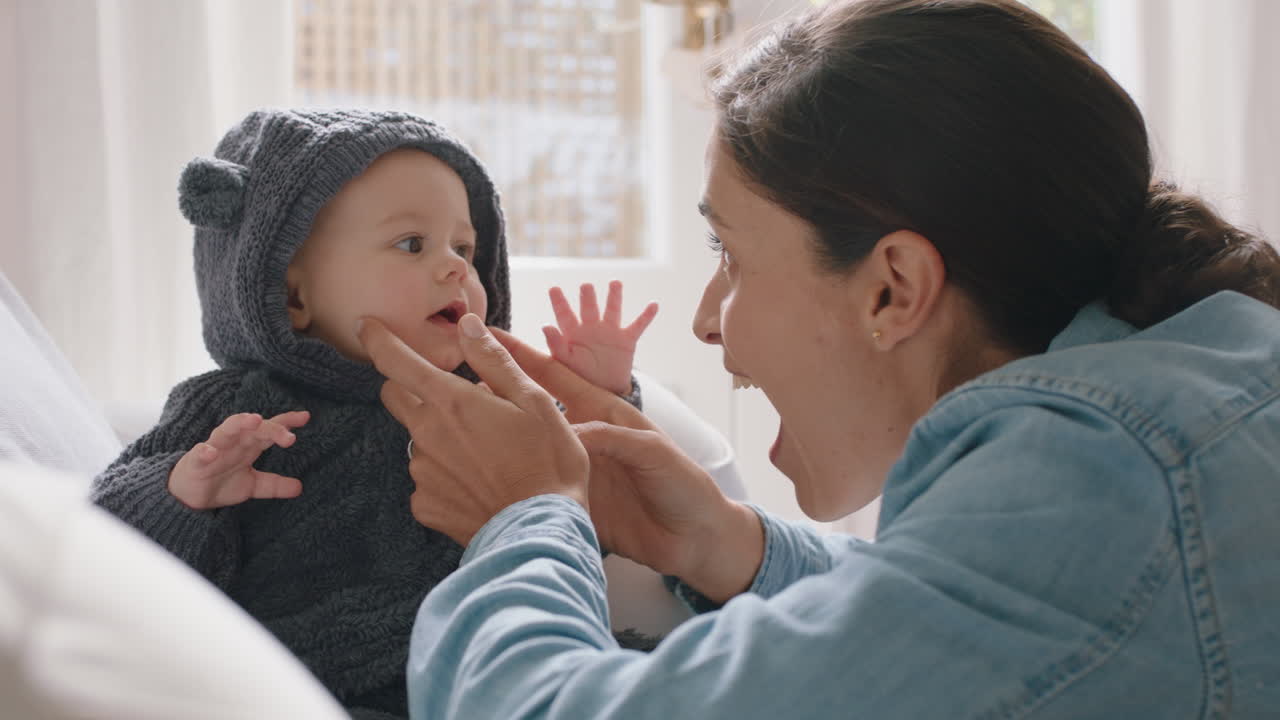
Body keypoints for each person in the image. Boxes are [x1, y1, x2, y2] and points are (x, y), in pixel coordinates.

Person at [357, 0, 1280, 717]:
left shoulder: (1102, 479)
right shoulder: (1187, 387)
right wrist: (725, 544)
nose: (710, 322)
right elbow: (977, 630)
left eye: (731, 258)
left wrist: (525, 516)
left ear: (893, 288)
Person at [89, 108, 658, 719]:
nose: (456, 267)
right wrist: (184, 490)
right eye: (412, 244)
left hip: (498, 667)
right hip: (320, 684)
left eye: (464, 246)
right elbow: (103, 546)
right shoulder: (231, 412)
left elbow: (567, 522)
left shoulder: (488, 408)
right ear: (293, 294)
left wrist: (602, 402)